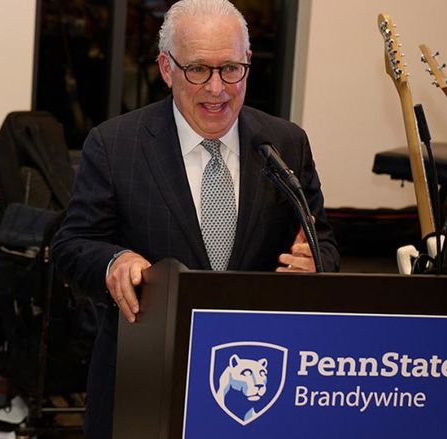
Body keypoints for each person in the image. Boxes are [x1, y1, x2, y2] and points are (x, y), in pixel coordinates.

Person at [51, 0, 339, 437]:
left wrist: (315, 264)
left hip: (256, 384)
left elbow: (326, 244)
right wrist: (114, 261)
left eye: (231, 69)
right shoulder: (115, 145)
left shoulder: (285, 143)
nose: (217, 88)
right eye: (199, 70)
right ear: (167, 69)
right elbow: (71, 246)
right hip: (146, 379)